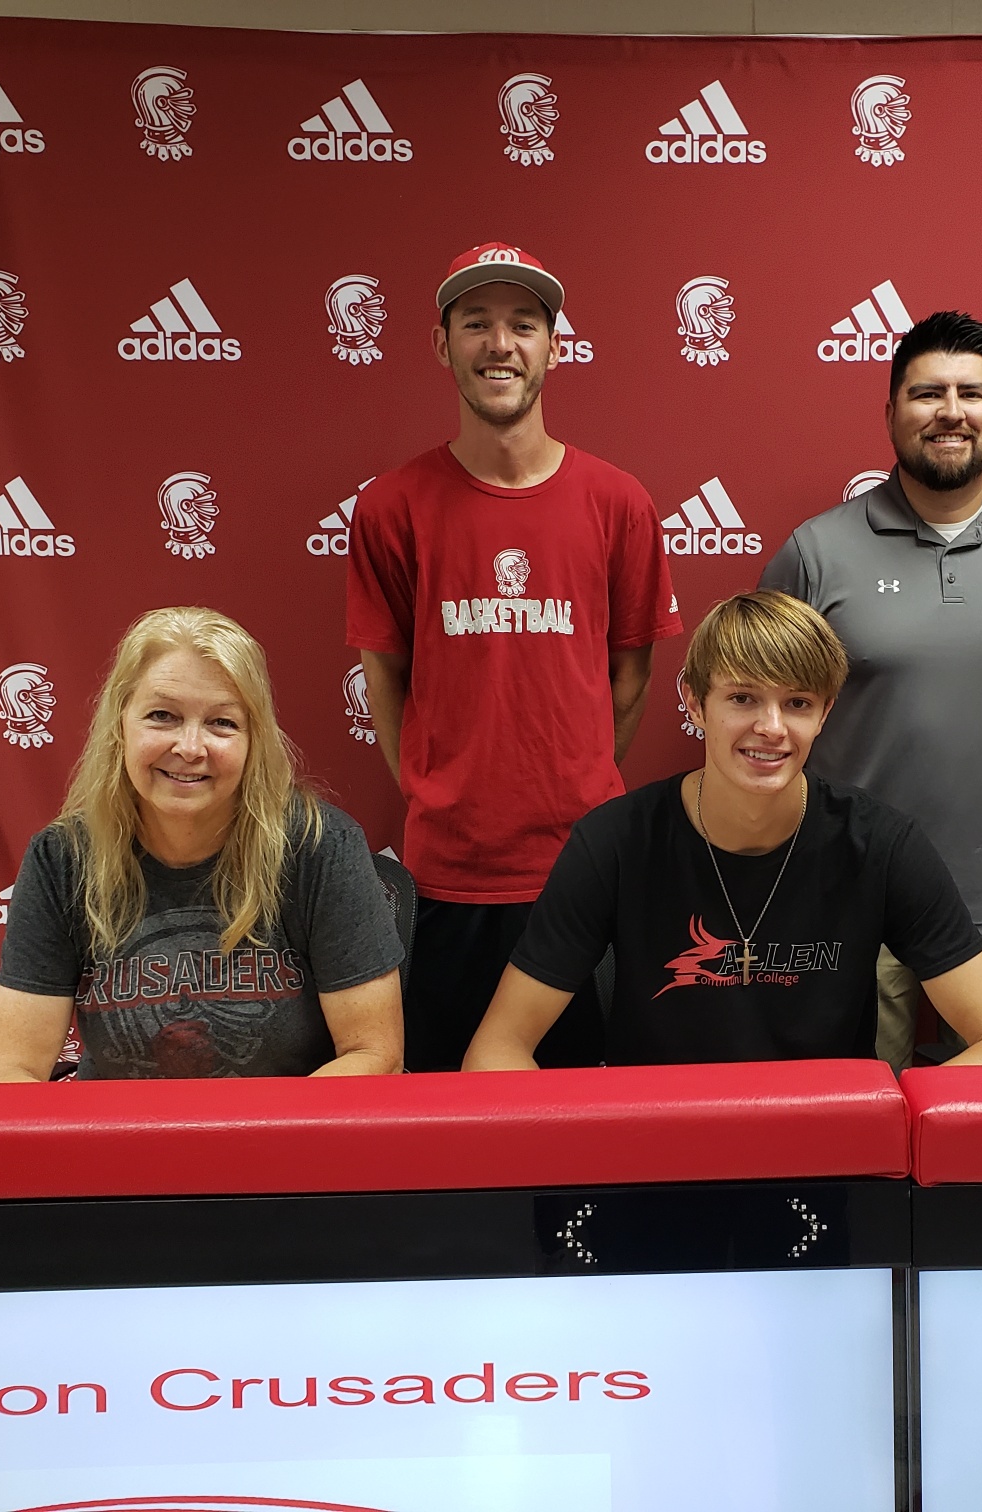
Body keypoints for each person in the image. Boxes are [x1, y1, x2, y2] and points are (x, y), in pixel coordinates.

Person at [346, 243, 681, 1071]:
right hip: (445, 877)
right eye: (477, 324)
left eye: (523, 325)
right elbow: (384, 675)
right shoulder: (392, 507)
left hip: (579, 873)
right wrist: (432, 785)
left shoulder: (618, 502)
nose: (500, 344)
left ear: (553, 346)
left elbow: (631, 672)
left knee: (579, 1130)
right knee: (448, 1123)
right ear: (442, 344)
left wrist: (578, 778)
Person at [759, 311, 982, 1070]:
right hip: (849, 903)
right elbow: (768, 720)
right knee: (852, 1135)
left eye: (971, 393)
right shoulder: (816, 553)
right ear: (890, 412)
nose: (950, 411)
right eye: (926, 393)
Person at [463, 591, 982, 1069]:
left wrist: (888, 1114)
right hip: (659, 1160)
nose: (772, 728)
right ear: (694, 701)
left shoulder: (880, 843)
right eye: (742, 698)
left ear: (825, 713)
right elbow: (497, 1049)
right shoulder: (614, 841)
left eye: (798, 703)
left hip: (828, 1164)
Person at [0, 607, 405, 1081]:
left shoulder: (320, 846)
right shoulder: (62, 858)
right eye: (162, 716)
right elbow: (8, 1070)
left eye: (222, 723)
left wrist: (255, 1147)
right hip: (119, 1143)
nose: (190, 748)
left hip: (277, 1140)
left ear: (253, 740)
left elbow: (373, 1055)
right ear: (121, 725)